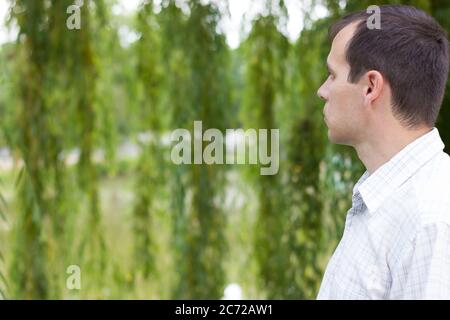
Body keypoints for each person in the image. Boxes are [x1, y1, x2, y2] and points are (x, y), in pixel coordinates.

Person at [316, 4, 450, 299]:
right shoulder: (386, 198)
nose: (322, 91)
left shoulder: (431, 220)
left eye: (332, 75)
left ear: (370, 87)